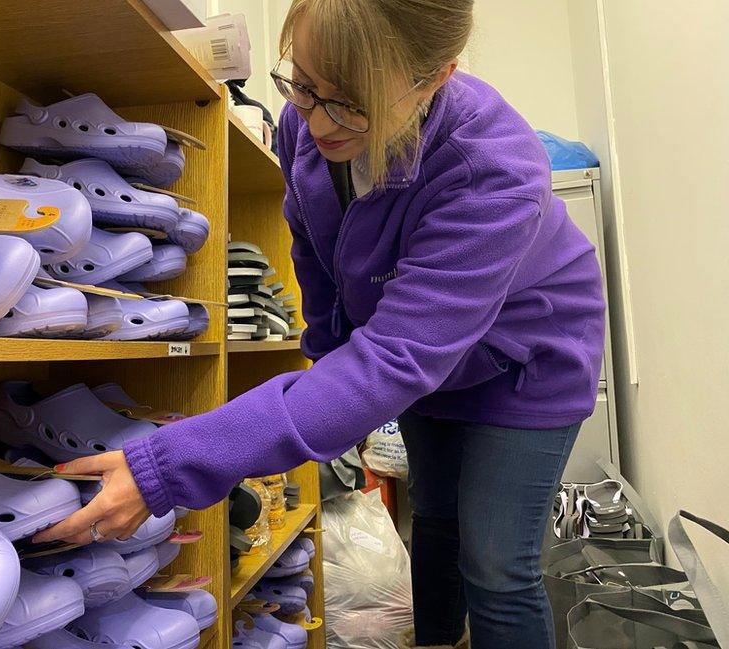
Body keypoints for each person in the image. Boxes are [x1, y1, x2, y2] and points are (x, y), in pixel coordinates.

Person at [34, 1, 605, 647]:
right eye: (304, 85)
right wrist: (337, 393)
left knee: (497, 564)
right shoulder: (302, 124)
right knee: (439, 518)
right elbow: (317, 256)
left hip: (525, 358)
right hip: (427, 351)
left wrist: (172, 464)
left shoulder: (493, 168)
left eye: (352, 103)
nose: (318, 120)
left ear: (436, 78)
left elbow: (392, 360)